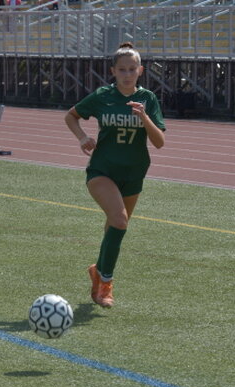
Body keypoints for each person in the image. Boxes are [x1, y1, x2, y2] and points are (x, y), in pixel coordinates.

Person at [64, 42, 165, 308]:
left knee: (114, 227)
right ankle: (106, 285)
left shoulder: (148, 99)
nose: (127, 74)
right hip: (102, 170)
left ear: (140, 71)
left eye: (132, 69)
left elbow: (159, 142)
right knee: (119, 221)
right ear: (113, 71)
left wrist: (144, 118)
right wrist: (82, 137)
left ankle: (98, 272)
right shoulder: (102, 96)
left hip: (133, 173)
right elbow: (71, 116)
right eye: (122, 69)